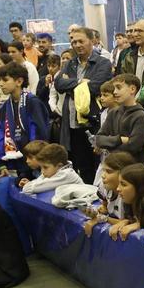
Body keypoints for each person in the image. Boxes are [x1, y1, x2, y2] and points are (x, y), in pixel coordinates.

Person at [54, 27, 113, 182]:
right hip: (72, 123)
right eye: (74, 42)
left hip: (93, 122)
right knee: (82, 166)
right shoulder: (70, 63)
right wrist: (81, 82)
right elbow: (59, 84)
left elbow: (95, 87)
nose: (77, 45)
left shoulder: (103, 63)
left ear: (92, 41)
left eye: (81, 41)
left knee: (99, 165)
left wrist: (71, 84)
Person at [0, 62, 49, 178]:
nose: (0, 84)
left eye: (5, 80)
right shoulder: (5, 107)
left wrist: (34, 157)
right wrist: (1, 163)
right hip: (13, 162)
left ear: (19, 81)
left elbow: (39, 133)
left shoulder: (32, 102)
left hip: (34, 163)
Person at [94, 74, 144, 166]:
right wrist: (119, 139)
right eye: (114, 88)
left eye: (118, 88)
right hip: (115, 165)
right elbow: (99, 139)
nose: (115, 92)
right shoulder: (113, 113)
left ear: (132, 89)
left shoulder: (140, 115)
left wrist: (109, 145)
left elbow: (133, 147)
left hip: (132, 168)